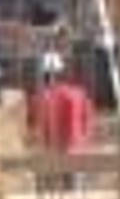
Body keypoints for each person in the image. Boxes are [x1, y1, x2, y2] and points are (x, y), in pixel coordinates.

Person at [27, 51, 96, 190]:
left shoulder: (38, 98)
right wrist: (84, 142)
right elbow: (88, 120)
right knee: (74, 195)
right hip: (75, 149)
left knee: (46, 195)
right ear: (61, 72)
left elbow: (33, 126)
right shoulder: (78, 93)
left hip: (49, 150)